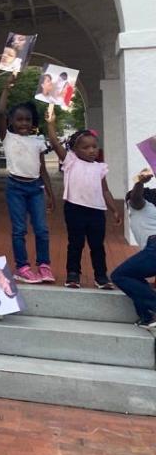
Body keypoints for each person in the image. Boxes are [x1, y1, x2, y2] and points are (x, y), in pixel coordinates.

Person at [45, 106, 122, 289]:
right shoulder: (71, 162)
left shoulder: (100, 167)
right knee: (76, 243)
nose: (91, 150)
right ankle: (73, 275)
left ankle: (101, 276)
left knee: (97, 245)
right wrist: (51, 124)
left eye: (94, 146)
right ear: (75, 150)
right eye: (86, 147)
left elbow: (105, 191)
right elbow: (55, 144)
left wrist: (114, 209)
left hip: (96, 212)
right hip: (75, 209)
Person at [0, 79, 56, 284]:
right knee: (19, 229)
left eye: (27, 120)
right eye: (19, 120)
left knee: (42, 229)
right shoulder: (8, 137)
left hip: (35, 188)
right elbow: (0, 113)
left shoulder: (37, 141)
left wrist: (50, 193)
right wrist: (6, 89)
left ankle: (44, 265)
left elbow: (43, 170)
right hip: (15, 187)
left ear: (33, 122)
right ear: (12, 122)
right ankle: (22, 267)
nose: (23, 123)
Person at [112, 170, 156, 329]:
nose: (128, 203)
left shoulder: (143, 205)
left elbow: (137, 198)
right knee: (134, 277)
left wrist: (139, 183)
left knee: (119, 275)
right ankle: (147, 317)